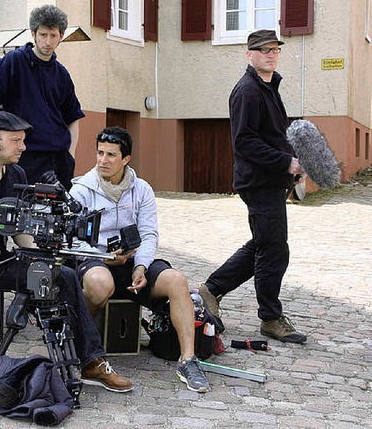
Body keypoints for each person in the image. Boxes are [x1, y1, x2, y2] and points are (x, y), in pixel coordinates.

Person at [0, 111, 133, 393]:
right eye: (16, 140)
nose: (23, 147)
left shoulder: (16, 174)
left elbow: (17, 230)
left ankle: (91, 361)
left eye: (23, 140)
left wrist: (44, 252)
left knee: (63, 275)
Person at [69, 127, 210, 393]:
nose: (103, 160)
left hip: (134, 262)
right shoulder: (81, 191)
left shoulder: (141, 189)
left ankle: (188, 360)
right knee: (99, 284)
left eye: (111, 155)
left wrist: (142, 266)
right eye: (100, 153)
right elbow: (72, 241)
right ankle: (84, 352)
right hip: (97, 261)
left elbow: (149, 233)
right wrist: (102, 257)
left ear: (126, 159)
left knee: (177, 281)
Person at [198, 29, 307, 344]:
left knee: (264, 244)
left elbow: (274, 135)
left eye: (275, 49)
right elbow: (244, 143)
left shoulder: (268, 88)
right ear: (250, 54)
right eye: (264, 50)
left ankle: (211, 289)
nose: (271, 54)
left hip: (272, 181)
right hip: (258, 183)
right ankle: (270, 318)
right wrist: (284, 163)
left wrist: (293, 165)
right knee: (274, 250)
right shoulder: (247, 90)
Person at [0, 4, 84, 190]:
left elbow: (73, 117)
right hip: (23, 156)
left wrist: (70, 154)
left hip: (59, 160)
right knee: (20, 214)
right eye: (43, 35)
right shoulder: (14, 61)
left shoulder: (62, 74)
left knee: (58, 217)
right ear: (33, 34)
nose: (48, 41)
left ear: (61, 37)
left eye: (53, 35)